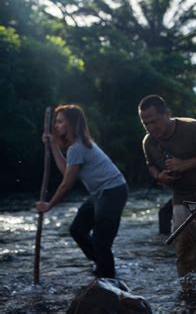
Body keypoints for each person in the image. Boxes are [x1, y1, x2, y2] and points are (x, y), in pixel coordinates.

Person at [138, 94, 196, 288]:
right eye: (146, 124)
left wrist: (185, 164)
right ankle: (188, 289)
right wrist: (158, 176)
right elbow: (150, 164)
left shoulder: (192, 128)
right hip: (181, 195)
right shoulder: (149, 142)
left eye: (155, 121)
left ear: (167, 114)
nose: (152, 128)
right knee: (184, 245)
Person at [36, 104, 128, 278]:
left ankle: (108, 279)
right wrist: (54, 147)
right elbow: (66, 172)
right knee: (77, 229)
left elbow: (66, 185)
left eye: (60, 122)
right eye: (56, 122)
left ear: (71, 123)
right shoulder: (75, 148)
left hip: (113, 192)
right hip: (101, 194)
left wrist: (49, 205)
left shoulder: (78, 147)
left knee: (101, 242)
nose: (56, 126)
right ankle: (102, 266)